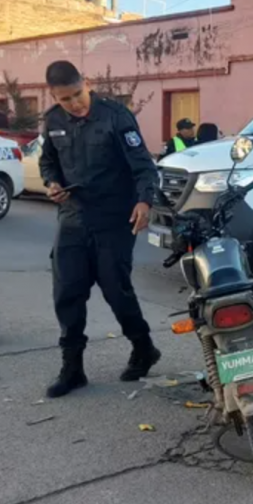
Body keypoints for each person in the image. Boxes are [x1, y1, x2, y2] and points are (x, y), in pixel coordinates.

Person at [38, 60, 161, 398]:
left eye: (77, 94)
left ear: (86, 83)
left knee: (115, 291)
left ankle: (143, 347)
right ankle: (73, 368)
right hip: (73, 219)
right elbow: (47, 161)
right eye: (65, 99)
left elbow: (144, 167)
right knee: (67, 293)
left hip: (112, 220)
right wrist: (52, 183)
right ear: (54, 97)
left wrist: (144, 203)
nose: (74, 104)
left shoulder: (115, 117)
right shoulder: (53, 121)